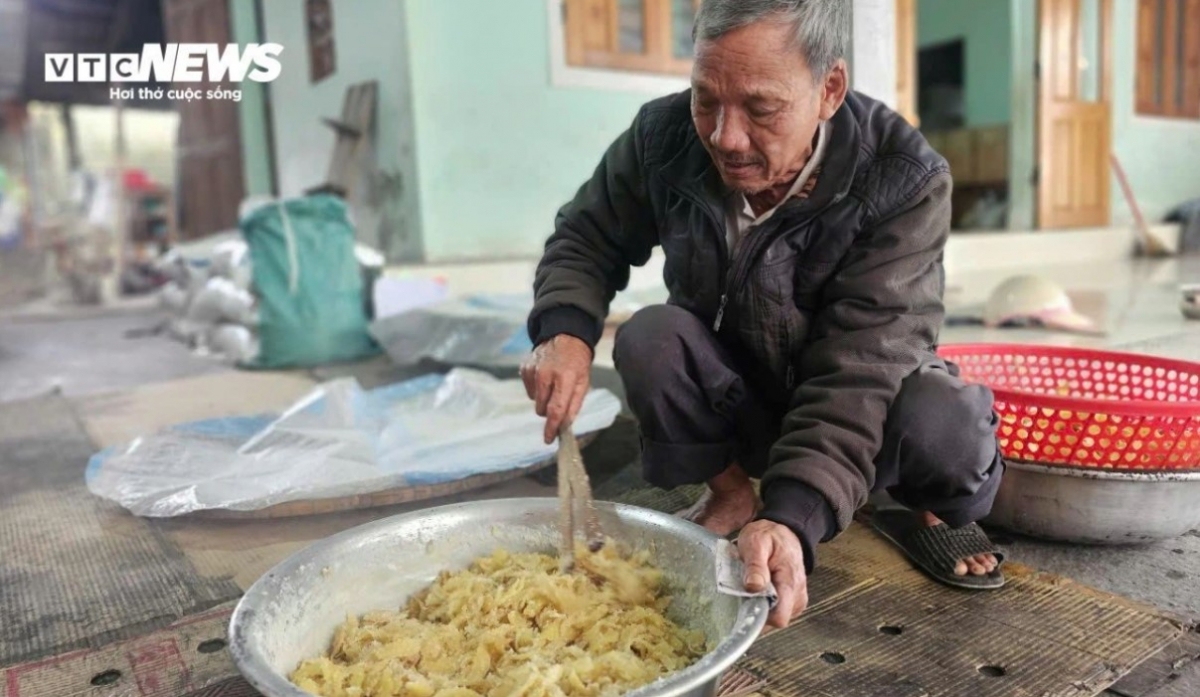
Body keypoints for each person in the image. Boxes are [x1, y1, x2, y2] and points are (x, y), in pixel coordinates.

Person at [521, 0, 1006, 629]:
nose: (725, 137)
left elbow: (860, 371)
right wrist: (563, 330)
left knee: (944, 423)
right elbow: (587, 237)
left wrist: (795, 517)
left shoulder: (903, 179)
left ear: (829, 88)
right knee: (651, 338)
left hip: (865, 414)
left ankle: (924, 508)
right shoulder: (663, 137)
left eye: (760, 107)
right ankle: (732, 494)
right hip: (742, 400)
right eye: (705, 100)